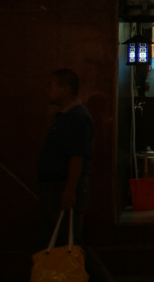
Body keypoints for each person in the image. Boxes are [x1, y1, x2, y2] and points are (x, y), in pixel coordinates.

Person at [37, 69, 111, 282]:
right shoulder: (67, 116)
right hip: (57, 186)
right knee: (63, 239)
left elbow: (77, 158)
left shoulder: (77, 117)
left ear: (65, 89)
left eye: (52, 85)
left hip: (63, 187)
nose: (47, 90)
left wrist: (69, 190)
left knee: (71, 242)